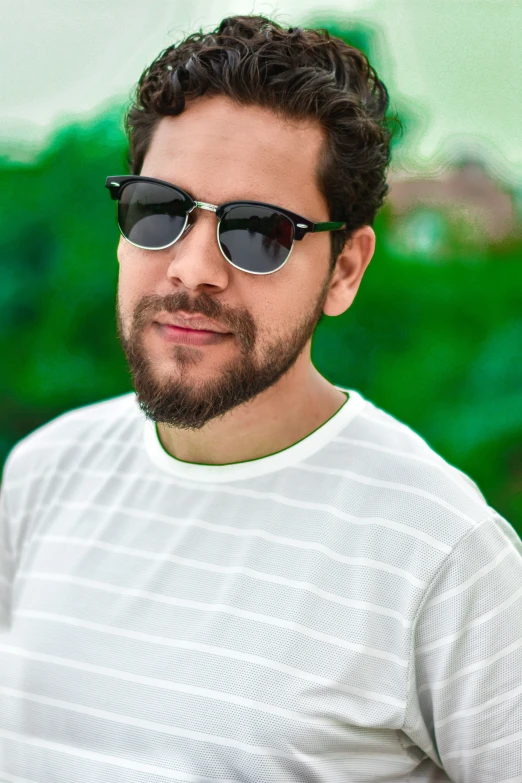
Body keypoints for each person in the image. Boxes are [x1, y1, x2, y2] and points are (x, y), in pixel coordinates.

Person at [0, 14, 520, 783]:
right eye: (158, 209)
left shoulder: (445, 555)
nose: (191, 268)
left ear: (345, 269)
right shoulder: (43, 474)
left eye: (260, 232)